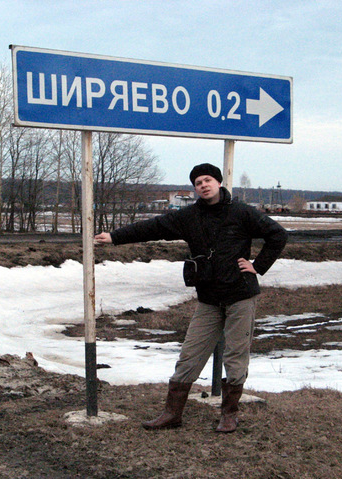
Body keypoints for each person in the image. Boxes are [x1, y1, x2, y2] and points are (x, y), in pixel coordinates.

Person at [94, 163, 288, 433]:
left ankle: (229, 414)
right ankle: (172, 414)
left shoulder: (241, 212)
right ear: (195, 189)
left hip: (240, 295)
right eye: (198, 183)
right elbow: (153, 227)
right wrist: (115, 237)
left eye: (208, 180)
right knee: (189, 355)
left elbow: (277, 234)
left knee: (235, 356)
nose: (203, 185)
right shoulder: (189, 216)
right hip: (208, 299)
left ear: (219, 183)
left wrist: (258, 265)